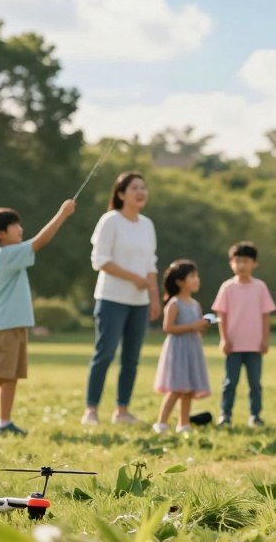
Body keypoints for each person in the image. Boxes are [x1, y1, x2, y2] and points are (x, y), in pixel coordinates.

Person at [0, 199, 77, 436]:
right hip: (3, 326)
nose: (20, 228)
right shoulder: (5, 255)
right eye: (15, 225)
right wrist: (62, 214)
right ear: (1, 234)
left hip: (14, 325)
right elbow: (40, 241)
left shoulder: (11, 254)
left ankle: (4, 423)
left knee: (11, 377)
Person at [82, 172, 160, 426]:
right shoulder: (110, 221)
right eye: (135, 188)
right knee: (104, 354)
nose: (141, 192)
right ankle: (91, 410)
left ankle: (122, 411)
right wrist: (133, 278)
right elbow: (100, 261)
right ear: (121, 193)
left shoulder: (147, 224)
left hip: (139, 303)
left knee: (131, 358)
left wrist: (155, 297)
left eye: (143, 188)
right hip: (111, 298)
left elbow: (151, 264)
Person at [213, 241, 276, 427]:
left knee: (255, 384)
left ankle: (255, 415)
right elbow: (221, 315)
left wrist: (265, 340)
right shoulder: (227, 288)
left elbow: (265, 315)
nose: (241, 265)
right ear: (231, 263)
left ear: (254, 264)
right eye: (237, 261)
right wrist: (224, 339)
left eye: (246, 261)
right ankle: (225, 414)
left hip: (254, 345)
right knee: (230, 382)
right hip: (233, 345)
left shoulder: (260, 287)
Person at [152, 259, 212, 434]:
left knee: (188, 390)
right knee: (176, 388)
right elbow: (168, 328)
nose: (196, 279)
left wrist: (201, 326)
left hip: (192, 350)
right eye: (192, 276)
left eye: (196, 276)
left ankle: (183, 424)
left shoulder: (195, 304)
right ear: (179, 281)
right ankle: (161, 423)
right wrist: (193, 326)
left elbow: (196, 327)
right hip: (178, 351)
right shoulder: (174, 304)